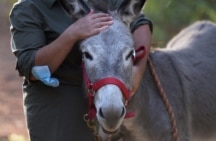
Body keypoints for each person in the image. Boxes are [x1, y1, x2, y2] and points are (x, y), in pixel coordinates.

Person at [9, 0, 152, 140]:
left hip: (109, 107)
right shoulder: (29, 7)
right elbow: (33, 69)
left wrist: (137, 70)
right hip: (59, 113)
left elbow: (139, 22)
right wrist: (72, 34)